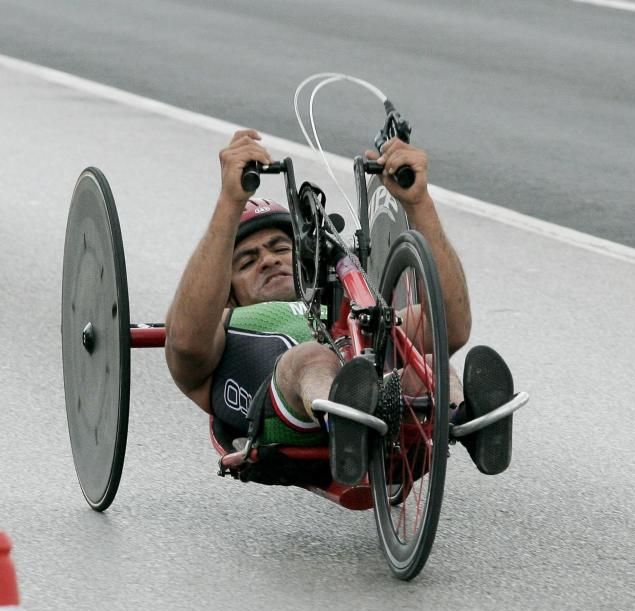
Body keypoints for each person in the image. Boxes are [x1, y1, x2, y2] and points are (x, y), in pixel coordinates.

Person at [164, 129, 513, 485]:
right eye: (247, 260)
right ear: (227, 291)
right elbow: (185, 343)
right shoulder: (221, 326)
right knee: (311, 358)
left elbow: (450, 327)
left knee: (426, 360)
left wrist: (419, 202)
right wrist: (229, 201)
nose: (268, 260)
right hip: (282, 422)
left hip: (382, 400)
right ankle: (346, 422)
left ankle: (468, 419)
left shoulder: (345, 308)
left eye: (279, 249)